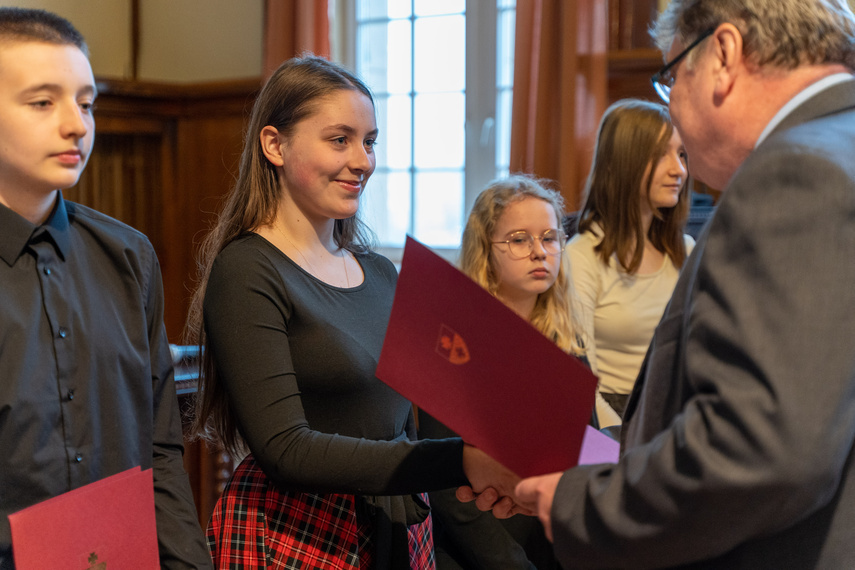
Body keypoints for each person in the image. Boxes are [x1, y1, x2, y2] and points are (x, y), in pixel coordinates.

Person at [490, 0, 855, 567]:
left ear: (723, 55)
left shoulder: (795, 172)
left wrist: (578, 501)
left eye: (672, 78)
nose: (673, 111)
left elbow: (760, 452)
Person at [186, 55, 519, 569]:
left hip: (397, 524)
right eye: (340, 140)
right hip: (298, 535)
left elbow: (425, 419)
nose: (363, 161)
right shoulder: (248, 269)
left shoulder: (380, 272)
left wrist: (526, 458)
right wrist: (462, 461)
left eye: (370, 142)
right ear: (274, 145)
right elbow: (286, 450)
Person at [0, 7, 211, 569]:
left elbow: (159, 448)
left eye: (86, 103)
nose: (76, 125)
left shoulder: (128, 257)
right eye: (43, 102)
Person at [420, 174, 594, 569]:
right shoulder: (454, 345)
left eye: (550, 238)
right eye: (519, 240)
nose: (539, 252)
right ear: (485, 249)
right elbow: (446, 485)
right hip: (476, 552)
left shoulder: (568, 343)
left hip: (553, 543)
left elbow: (582, 454)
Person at [566, 99, 694, 420]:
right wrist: (620, 441)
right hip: (613, 416)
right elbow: (582, 386)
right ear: (621, 163)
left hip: (674, 413)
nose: (679, 170)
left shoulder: (687, 250)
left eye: (681, 154)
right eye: (660, 154)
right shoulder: (581, 257)